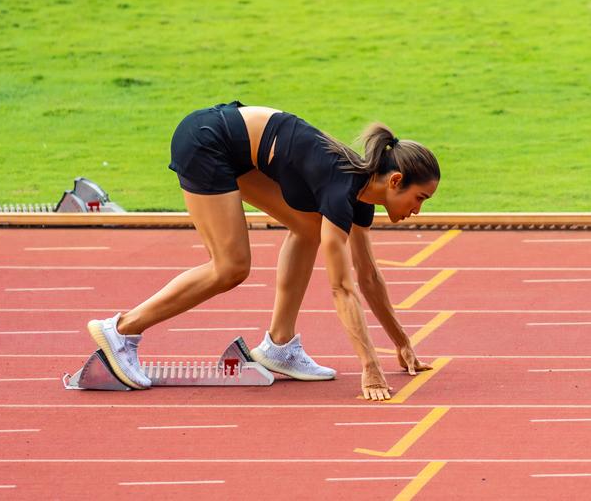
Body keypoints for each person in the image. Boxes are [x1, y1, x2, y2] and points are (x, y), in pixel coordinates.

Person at [85, 101, 440, 400]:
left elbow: (369, 277)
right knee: (231, 267)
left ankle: (279, 346)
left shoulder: (362, 193)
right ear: (395, 181)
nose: (418, 209)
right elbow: (342, 288)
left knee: (308, 229)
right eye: (419, 198)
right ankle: (122, 330)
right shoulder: (340, 190)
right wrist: (370, 367)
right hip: (207, 143)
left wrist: (402, 343)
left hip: (240, 153)